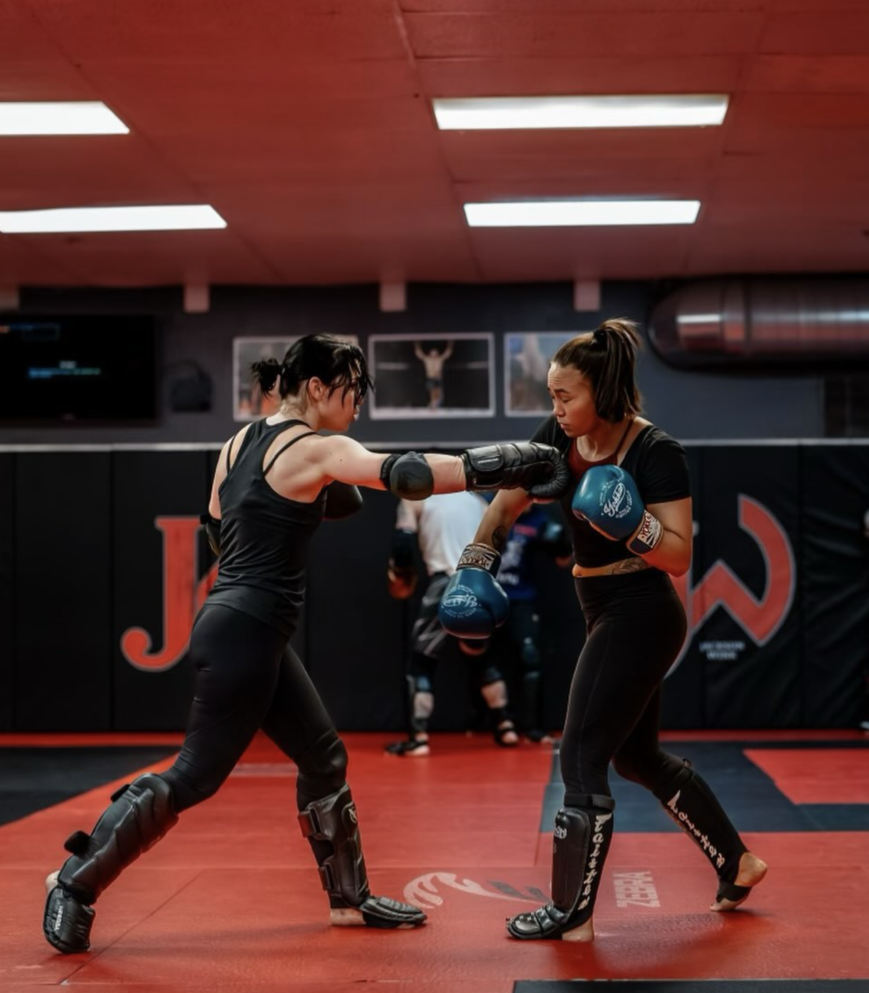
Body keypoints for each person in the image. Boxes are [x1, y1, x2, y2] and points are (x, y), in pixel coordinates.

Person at [42, 333, 567, 954]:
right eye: (351, 393)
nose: (356, 408)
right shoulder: (315, 447)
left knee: (323, 757)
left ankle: (349, 899)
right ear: (317, 388)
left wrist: (306, 505)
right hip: (246, 633)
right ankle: (73, 883)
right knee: (195, 776)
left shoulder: (239, 443)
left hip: (244, 626)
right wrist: (517, 461)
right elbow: (410, 474)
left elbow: (217, 526)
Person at [439, 319, 768, 942]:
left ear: (605, 393)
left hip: (641, 608)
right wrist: (473, 566)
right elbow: (505, 506)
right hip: (598, 603)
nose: (555, 409)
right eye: (551, 396)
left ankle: (571, 913)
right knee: (635, 754)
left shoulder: (655, 452)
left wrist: (632, 522)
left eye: (566, 397)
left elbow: (675, 557)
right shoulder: (557, 437)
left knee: (581, 757)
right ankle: (738, 862)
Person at [384, 492, 520, 757]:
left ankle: (419, 737)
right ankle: (506, 725)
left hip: (445, 580)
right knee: (479, 656)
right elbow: (502, 542)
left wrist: (400, 572)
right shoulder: (478, 501)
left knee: (422, 660)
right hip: (479, 583)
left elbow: (402, 544)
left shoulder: (415, 499)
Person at [490, 502, 573, 741]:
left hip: (521, 598)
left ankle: (535, 728)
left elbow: (563, 560)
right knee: (484, 658)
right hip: (489, 595)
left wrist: (560, 542)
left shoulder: (539, 520)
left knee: (530, 657)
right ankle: (497, 723)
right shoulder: (492, 511)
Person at [414, 340, 453, 410]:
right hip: (431, 378)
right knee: (433, 393)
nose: (434, 354)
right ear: (430, 354)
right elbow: (419, 354)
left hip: (438, 378)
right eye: (433, 353)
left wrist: (450, 345)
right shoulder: (427, 359)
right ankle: (432, 406)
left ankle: (432, 405)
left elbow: (447, 354)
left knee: (439, 395)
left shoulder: (439, 359)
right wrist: (417, 345)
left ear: (437, 354)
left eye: (435, 353)